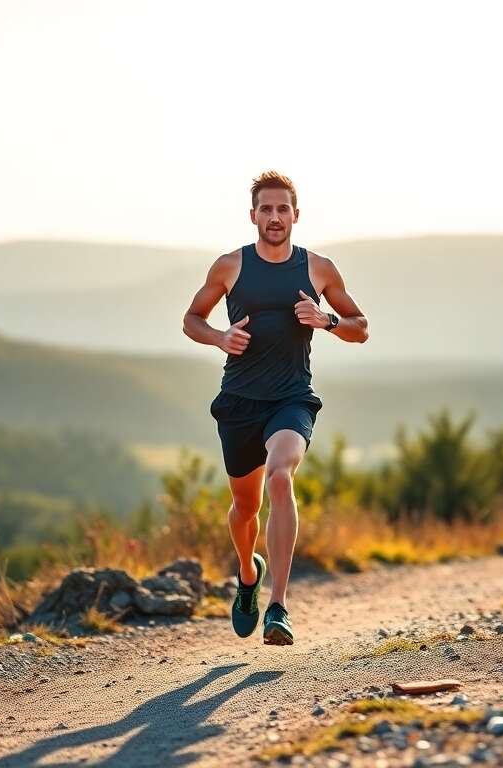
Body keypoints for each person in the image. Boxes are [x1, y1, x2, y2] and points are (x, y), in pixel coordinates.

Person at [181, 170, 369, 645]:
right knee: (245, 509)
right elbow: (191, 319)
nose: (274, 216)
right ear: (253, 216)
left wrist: (326, 321)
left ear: (296, 215)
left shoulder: (318, 269)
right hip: (240, 401)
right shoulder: (230, 266)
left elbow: (360, 326)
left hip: (292, 398)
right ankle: (248, 574)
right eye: (265, 209)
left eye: (282, 208)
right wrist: (221, 338)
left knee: (280, 477)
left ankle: (278, 606)